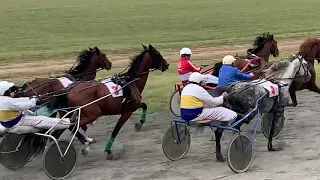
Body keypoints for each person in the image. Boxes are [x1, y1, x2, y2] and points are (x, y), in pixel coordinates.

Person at [0, 81, 71, 135]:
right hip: (17, 122)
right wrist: (34, 101)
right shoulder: (6, 101)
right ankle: (69, 122)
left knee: (31, 113)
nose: (11, 92)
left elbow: (16, 101)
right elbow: (23, 106)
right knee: (44, 120)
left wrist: (30, 98)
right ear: (4, 91)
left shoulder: (3, 99)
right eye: (9, 90)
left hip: (7, 122)